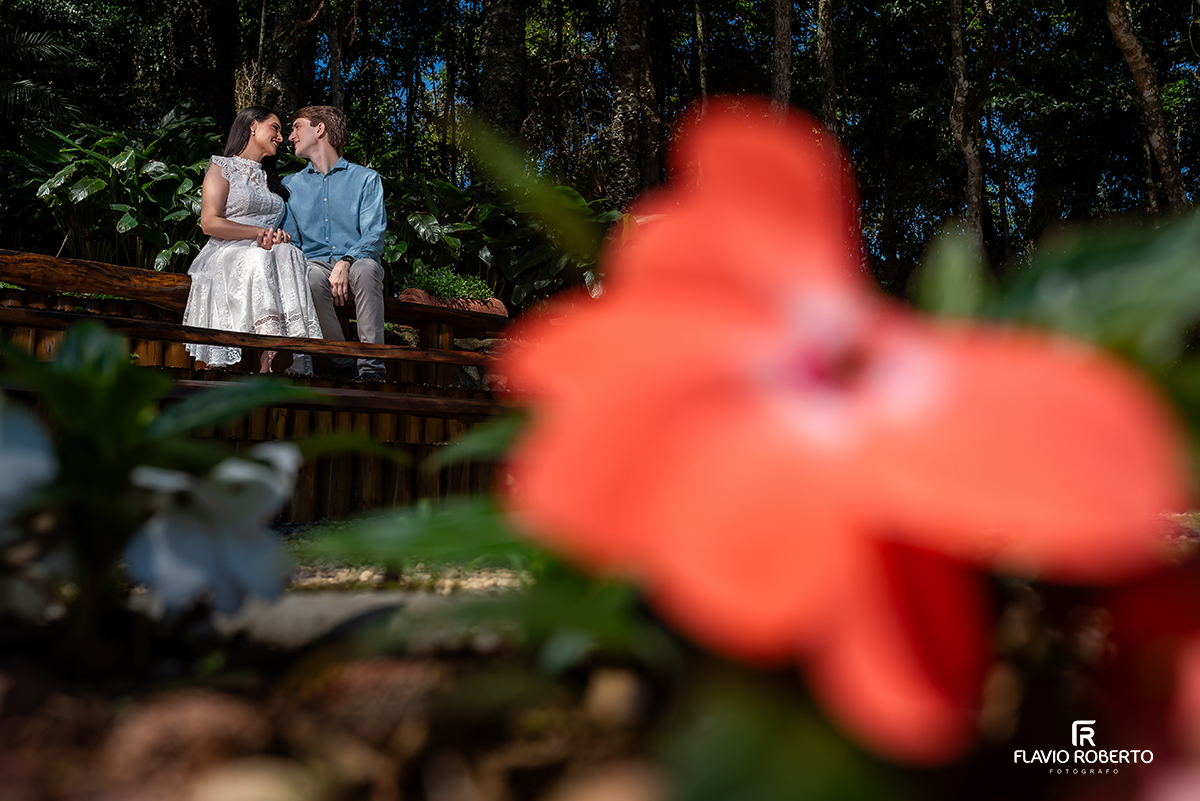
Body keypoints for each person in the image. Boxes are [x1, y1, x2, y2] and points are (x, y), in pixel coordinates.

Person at [181, 106, 323, 374]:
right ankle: (271, 345)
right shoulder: (222, 166)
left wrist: (277, 237)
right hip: (227, 249)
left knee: (291, 253)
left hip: (266, 250)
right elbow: (209, 222)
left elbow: (273, 232)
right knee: (259, 256)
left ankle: (294, 353)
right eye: (275, 128)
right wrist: (257, 233)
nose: (281, 137)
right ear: (253, 125)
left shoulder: (271, 180)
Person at [279, 106, 387, 381]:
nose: (290, 136)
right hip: (314, 264)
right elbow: (293, 244)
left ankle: (372, 370)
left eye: (297, 127)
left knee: (367, 270)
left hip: (357, 261)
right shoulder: (289, 186)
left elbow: (374, 233)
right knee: (309, 279)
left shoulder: (366, 179)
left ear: (320, 129)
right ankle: (342, 363)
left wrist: (346, 261)